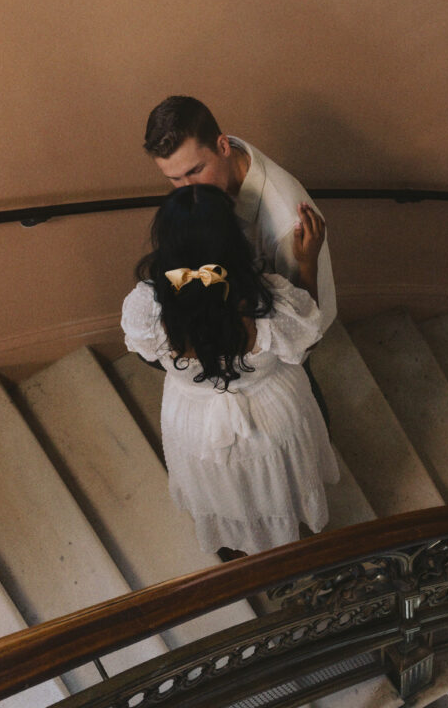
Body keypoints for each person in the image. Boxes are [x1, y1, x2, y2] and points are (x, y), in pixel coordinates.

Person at [121, 184, 339, 555]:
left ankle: (236, 543)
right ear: (232, 240)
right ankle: (288, 540)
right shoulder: (269, 298)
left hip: (193, 420)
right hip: (273, 414)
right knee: (278, 480)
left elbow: (147, 356)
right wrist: (306, 262)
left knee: (222, 485)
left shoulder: (146, 306)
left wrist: (195, 373)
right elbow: (309, 338)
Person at [143, 95, 335, 422]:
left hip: (282, 345)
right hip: (233, 327)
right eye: (174, 178)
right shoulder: (215, 171)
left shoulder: (287, 224)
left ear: (222, 146)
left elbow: (299, 328)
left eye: (194, 171)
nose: (186, 190)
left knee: (305, 396)